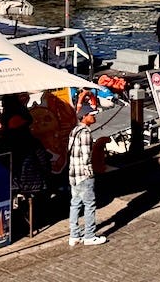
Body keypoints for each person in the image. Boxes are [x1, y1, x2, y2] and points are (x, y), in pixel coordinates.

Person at [66, 105, 106, 246]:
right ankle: (89, 235)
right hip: (84, 175)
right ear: (84, 117)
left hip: (73, 173)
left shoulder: (74, 131)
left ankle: (74, 235)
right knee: (90, 204)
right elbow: (86, 157)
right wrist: (90, 173)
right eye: (92, 114)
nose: (94, 116)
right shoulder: (85, 133)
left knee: (75, 204)